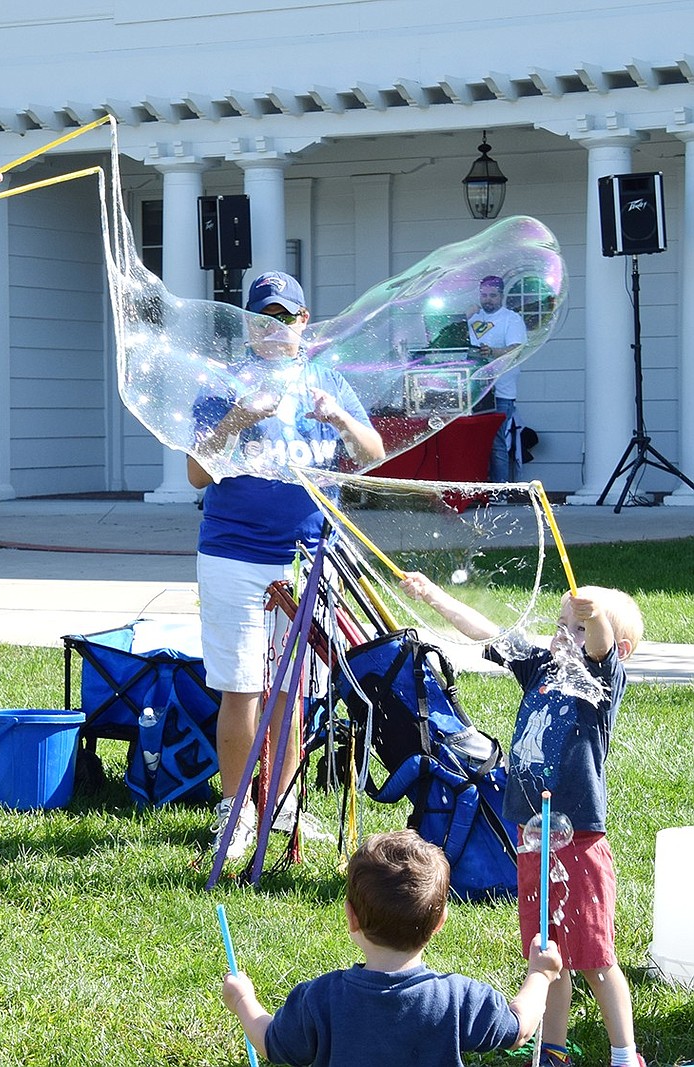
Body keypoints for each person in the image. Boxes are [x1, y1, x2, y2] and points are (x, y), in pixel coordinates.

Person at [399, 573, 646, 1067]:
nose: (564, 636)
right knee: (547, 953)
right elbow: (487, 632)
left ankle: (624, 1055)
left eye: (576, 629)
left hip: (579, 841)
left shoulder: (599, 684)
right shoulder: (540, 670)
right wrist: (435, 596)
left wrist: (592, 613)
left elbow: (598, 646)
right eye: (561, 624)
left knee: (596, 958)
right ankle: (553, 1050)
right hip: (534, 835)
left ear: (612, 647)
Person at [186, 271, 385, 859]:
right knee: (241, 687)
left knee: (292, 690)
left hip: (310, 554)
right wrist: (238, 419)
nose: (275, 328)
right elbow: (197, 474)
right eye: (263, 318)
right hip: (234, 553)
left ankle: (284, 808)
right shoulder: (225, 385)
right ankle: (236, 808)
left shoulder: (328, 382)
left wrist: (343, 421)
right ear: (249, 326)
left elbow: (372, 456)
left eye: (286, 317)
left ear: (304, 322)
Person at [222, 829, 563, 1066]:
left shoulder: (320, 999)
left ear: (351, 918)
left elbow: (270, 1043)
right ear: (440, 921)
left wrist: (242, 1000)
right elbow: (519, 1029)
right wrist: (540, 975)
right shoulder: (460, 999)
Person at [467, 274, 527, 483]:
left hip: (501, 389)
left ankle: (499, 489)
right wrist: (464, 319)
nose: (487, 300)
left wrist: (491, 351)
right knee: (473, 440)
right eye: (483, 295)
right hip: (473, 389)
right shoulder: (473, 318)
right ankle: (476, 485)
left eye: (492, 295)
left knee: (495, 440)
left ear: (501, 296)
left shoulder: (511, 319)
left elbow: (515, 350)